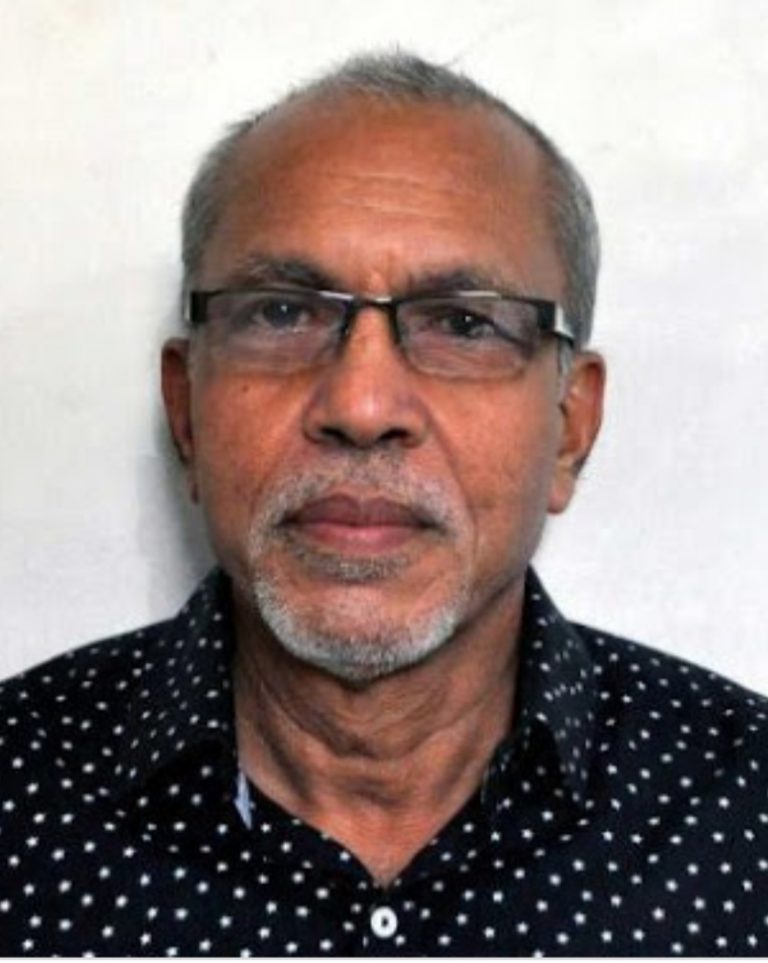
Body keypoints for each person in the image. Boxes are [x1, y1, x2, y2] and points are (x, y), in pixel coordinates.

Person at [1, 51, 766, 957]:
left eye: (464, 322)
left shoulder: (743, 813)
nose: (362, 407)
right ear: (186, 410)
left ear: (570, 428)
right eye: (282, 312)